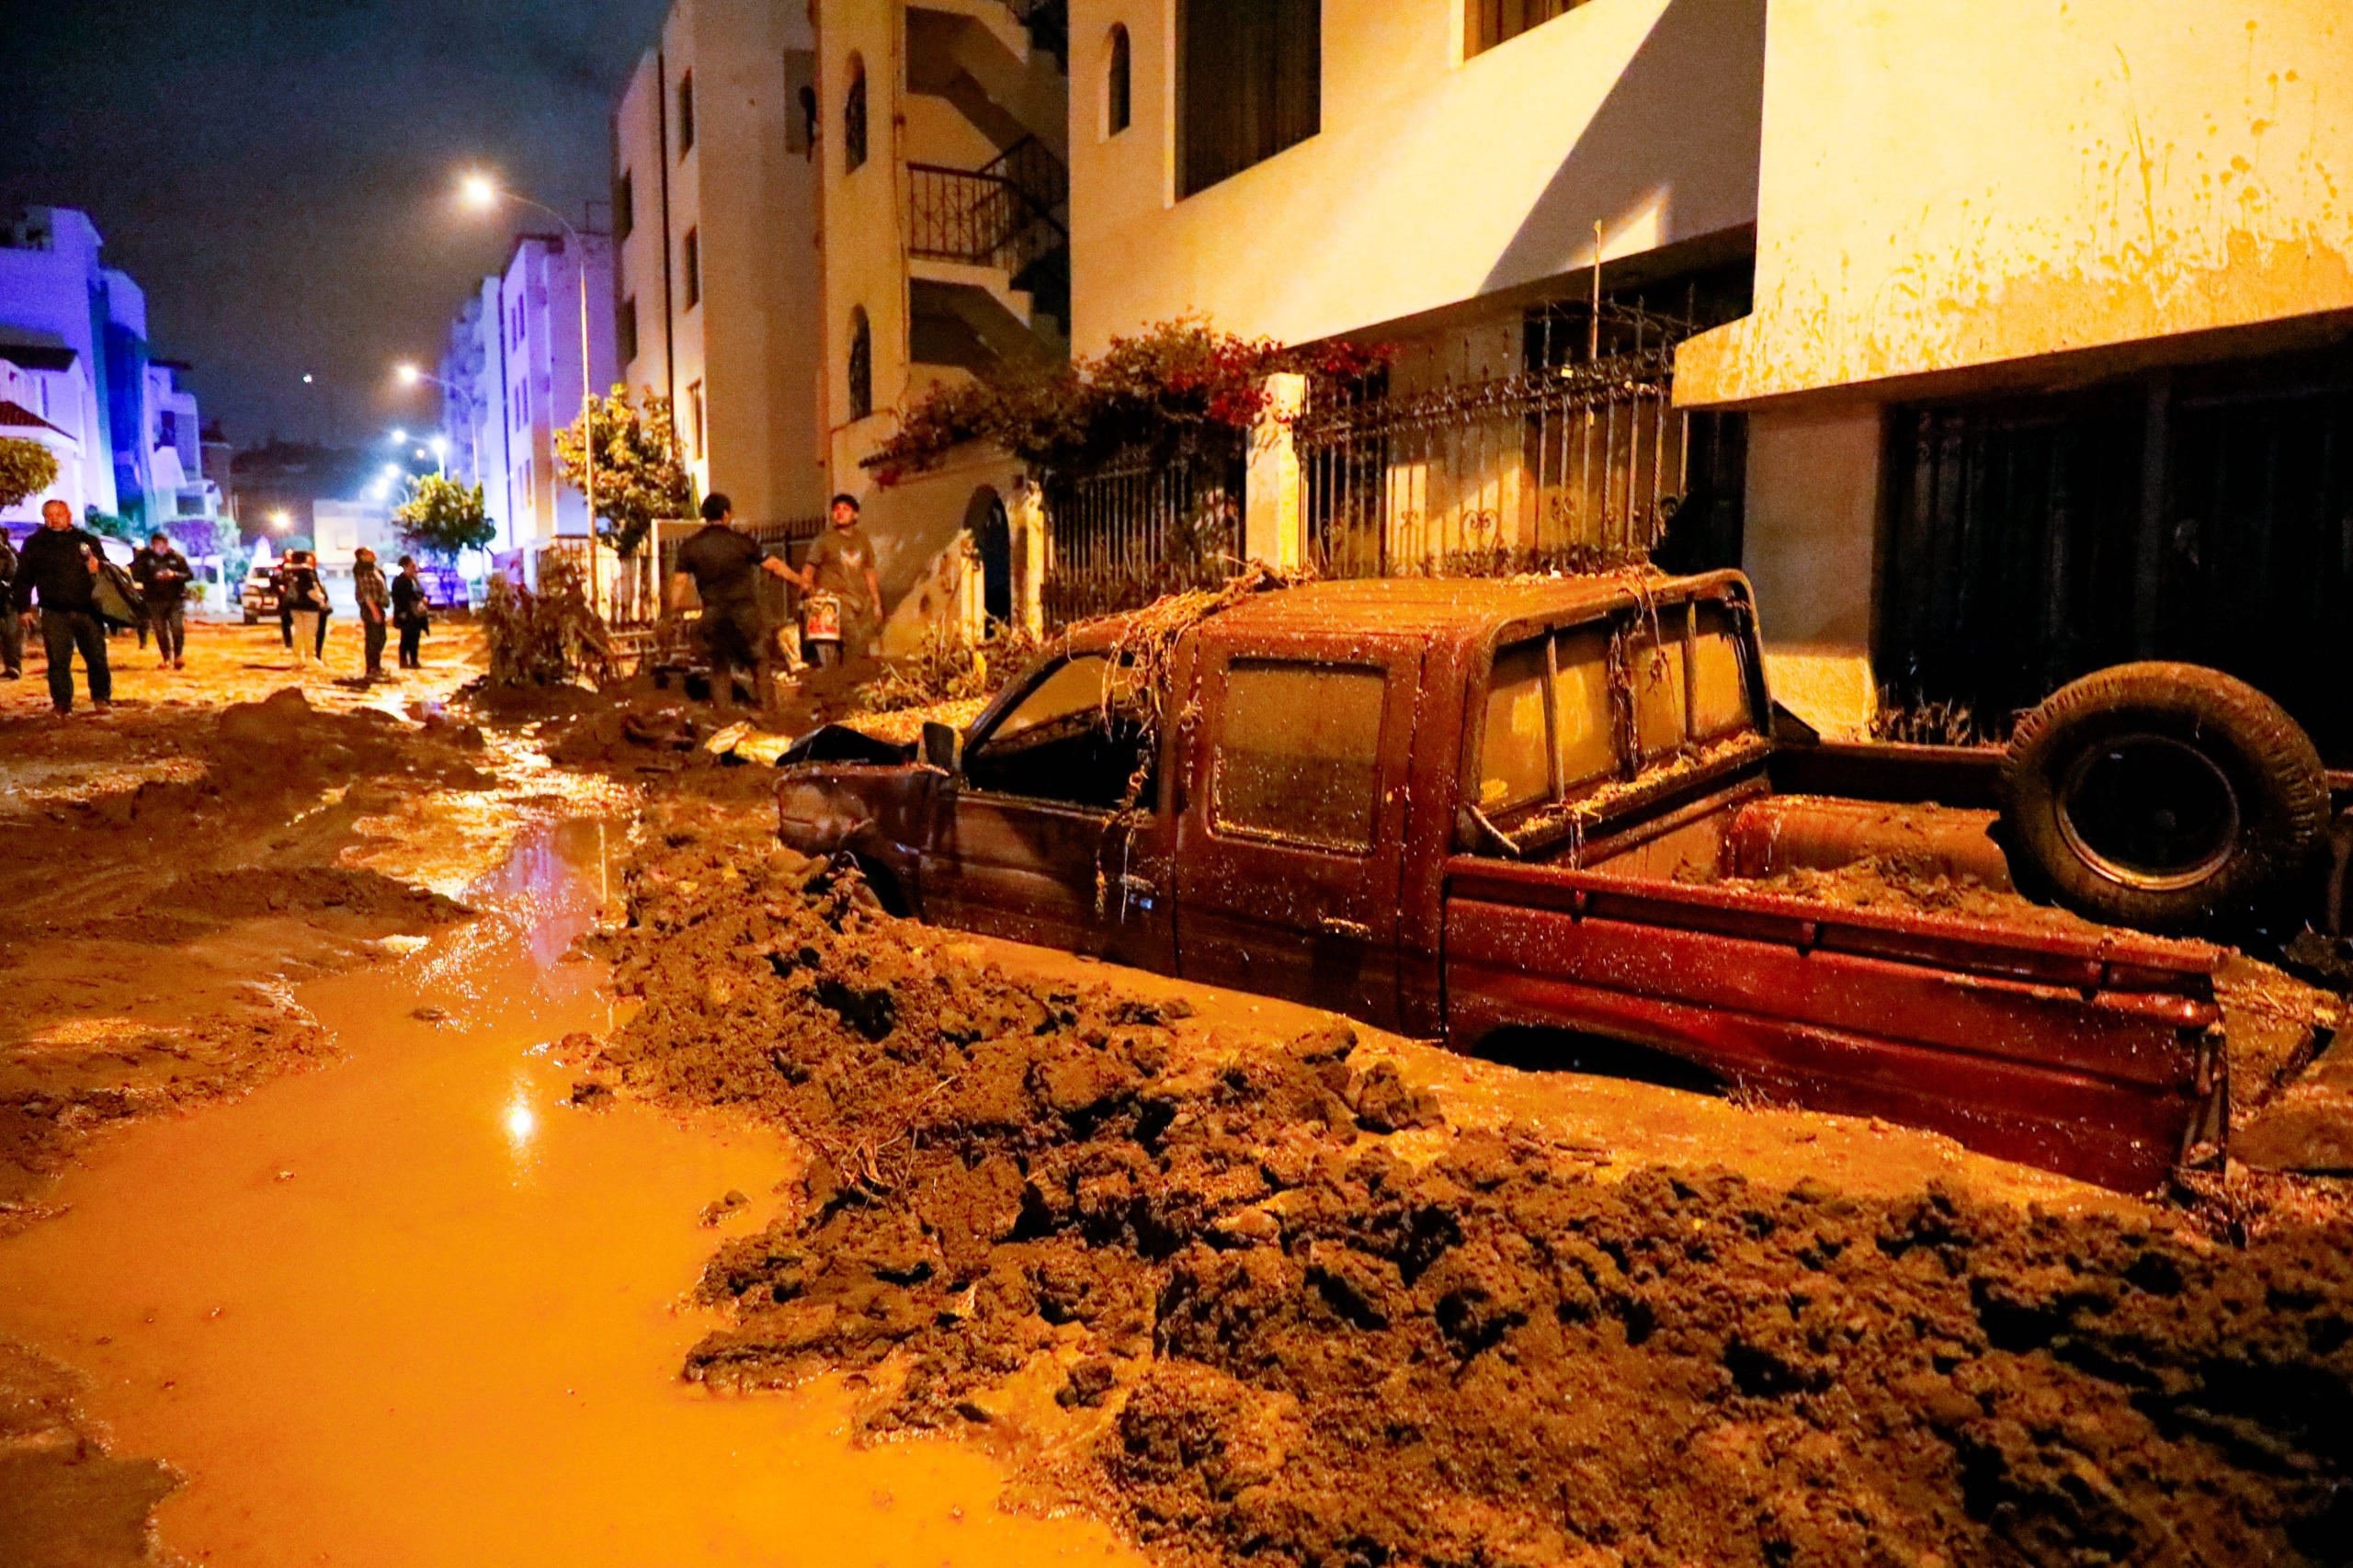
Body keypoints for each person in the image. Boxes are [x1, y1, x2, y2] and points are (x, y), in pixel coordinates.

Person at [668, 492, 795, 710]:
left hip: (715, 614)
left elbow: (679, 583)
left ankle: (723, 714)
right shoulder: (742, 541)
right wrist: (799, 580)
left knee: (720, 666)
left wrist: (674, 609)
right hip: (745, 613)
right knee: (759, 660)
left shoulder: (690, 546)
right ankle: (768, 709)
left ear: (705, 515)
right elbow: (773, 564)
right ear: (726, 514)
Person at [13, 498, 112, 715]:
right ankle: (62, 703)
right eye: (49, 515)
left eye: (58, 514)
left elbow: (106, 570)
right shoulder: (35, 543)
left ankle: (102, 698)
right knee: (57, 660)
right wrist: (24, 608)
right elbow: (23, 578)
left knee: (96, 657)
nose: (53, 519)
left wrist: (98, 567)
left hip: (88, 609)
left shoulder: (86, 540)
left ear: (68, 515)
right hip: (53, 611)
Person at [799, 494, 882, 668]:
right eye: (836, 509)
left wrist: (876, 603)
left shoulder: (862, 539)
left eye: (845, 509)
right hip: (836, 603)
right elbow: (808, 571)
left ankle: (849, 683)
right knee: (853, 642)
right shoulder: (823, 541)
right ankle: (849, 681)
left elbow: (869, 571)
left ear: (855, 515)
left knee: (861, 645)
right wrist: (811, 594)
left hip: (860, 602)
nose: (840, 513)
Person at [131, 531, 193, 669]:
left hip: (175, 599)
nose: (160, 547)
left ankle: (178, 656)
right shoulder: (145, 558)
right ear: (152, 545)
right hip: (154, 600)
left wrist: (174, 575)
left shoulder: (176, 557)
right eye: (157, 545)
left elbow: (189, 575)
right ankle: (166, 658)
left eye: (163, 544)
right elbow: (136, 574)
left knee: (177, 627)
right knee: (160, 630)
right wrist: (153, 577)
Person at [285, 550, 331, 667]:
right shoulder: (307, 572)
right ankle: (310, 656)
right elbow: (311, 591)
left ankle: (297, 657)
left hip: (294, 605)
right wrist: (322, 599)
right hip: (309, 606)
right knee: (310, 633)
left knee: (298, 631)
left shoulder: (289, 571)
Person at [353, 547, 391, 679]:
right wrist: (374, 611)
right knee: (373, 638)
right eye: (369, 553)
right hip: (370, 607)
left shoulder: (375, 569)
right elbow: (366, 593)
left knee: (381, 637)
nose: (373, 554)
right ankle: (372, 668)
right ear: (362, 557)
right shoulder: (363, 571)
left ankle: (377, 665)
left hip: (379, 606)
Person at [392, 555, 431, 670]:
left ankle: (414, 660)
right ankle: (403, 661)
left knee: (415, 638)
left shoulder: (414, 579)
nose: (415, 568)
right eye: (412, 566)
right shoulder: (400, 581)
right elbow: (402, 598)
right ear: (405, 566)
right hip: (407, 615)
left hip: (416, 615)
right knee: (406, 639)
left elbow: (420, 593)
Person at [0, 527, 20, 680]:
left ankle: (13, 666)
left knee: (9, 634)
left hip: (6, 599)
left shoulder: (7, 555)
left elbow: (12, 576)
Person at [272, 555, 296, 649]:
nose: (289, 557)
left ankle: (297, 642)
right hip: (284, 601)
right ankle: (288, 643)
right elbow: (274, 581)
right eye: (287, 555)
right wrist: (280, 591)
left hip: (296, 601)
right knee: (286, 623)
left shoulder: (297, 569)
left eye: (291, 555)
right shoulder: (279, 570)